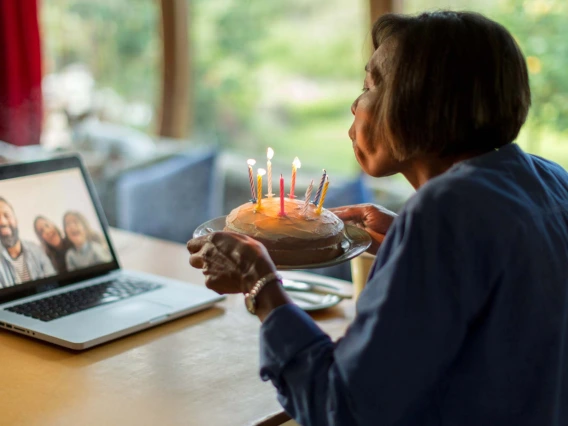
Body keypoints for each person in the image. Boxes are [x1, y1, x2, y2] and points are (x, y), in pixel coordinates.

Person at [188, 11, 568, 426]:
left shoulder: (446, 213)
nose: (355, 105)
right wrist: (407, 248)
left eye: (369, 85)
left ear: (421, 100)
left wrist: (259, 283)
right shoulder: (549, 180)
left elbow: (344, 408)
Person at [0, 198, 55, 287]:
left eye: (6, 215)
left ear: (16, 220)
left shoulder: (36, 250)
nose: (2, 222)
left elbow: (52, 282)